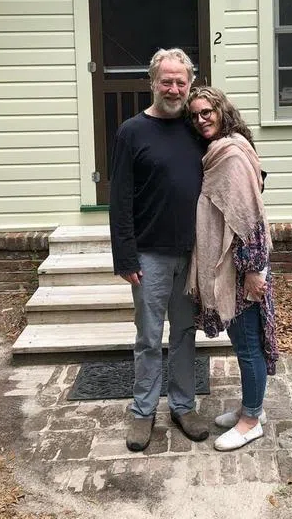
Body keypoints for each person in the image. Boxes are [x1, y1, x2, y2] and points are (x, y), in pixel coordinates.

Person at [108, 48, 212, 452]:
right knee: (149, 337)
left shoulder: (197, 128)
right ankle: (143, 411)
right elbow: (119, 200)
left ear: (190, 84)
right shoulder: (132, 132)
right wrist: (126, 256)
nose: (174, 88)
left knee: (185, 333)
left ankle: (183, 406)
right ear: (153, 82)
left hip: (192, 254)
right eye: (166, 81)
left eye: (181, 82)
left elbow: (228, 156)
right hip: (149, 254)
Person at [184, 85, 280, 452]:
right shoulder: (222, 150)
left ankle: (251, 421)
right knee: (243, 344)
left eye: (206, 111)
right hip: (233, 265)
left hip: (243, 267)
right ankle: (249, 406)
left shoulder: (231, 156)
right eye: (194, 115)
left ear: (222, 110)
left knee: (249, 347)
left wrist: (254, 271)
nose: (200, 119)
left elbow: (249, 218)